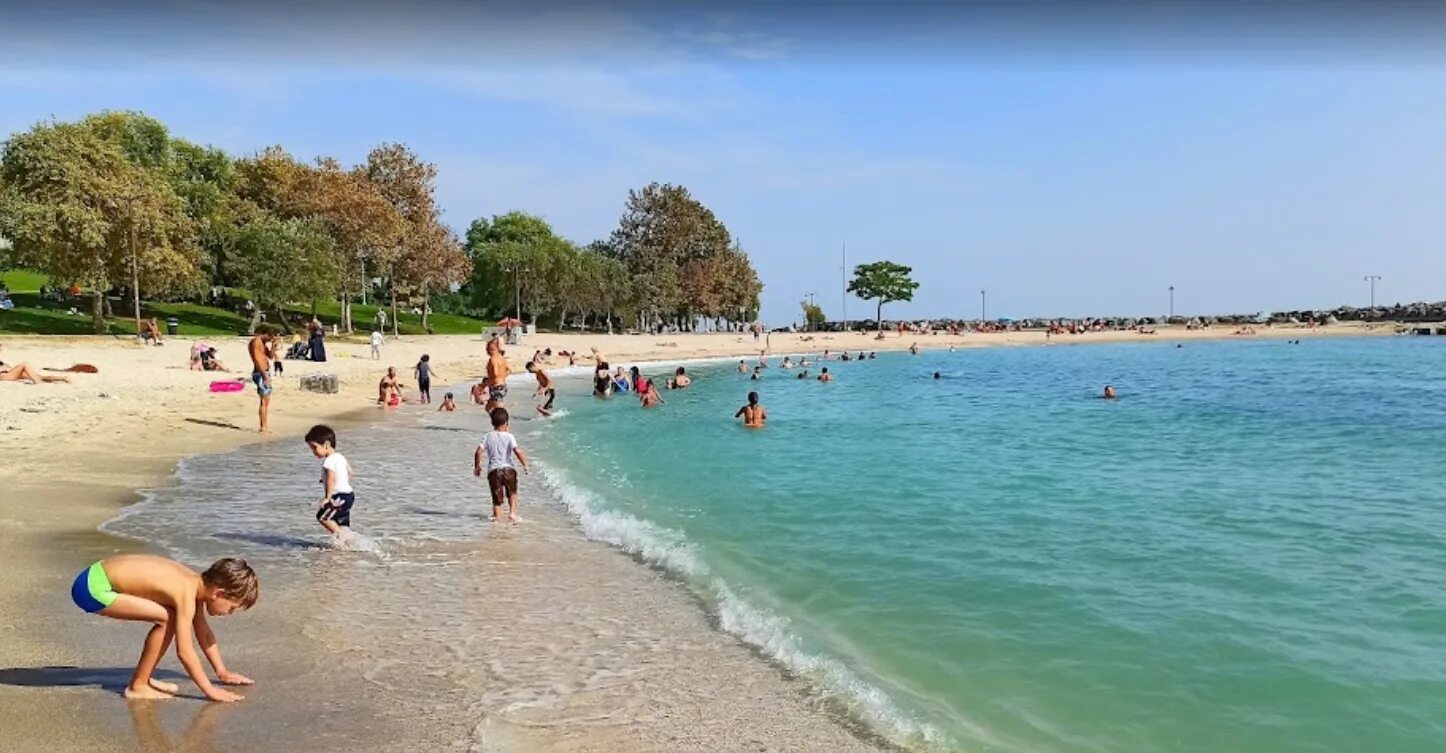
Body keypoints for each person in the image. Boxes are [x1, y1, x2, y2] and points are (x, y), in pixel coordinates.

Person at [69, 554, 256, 702]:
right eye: (232, 607)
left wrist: (222, 672)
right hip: (91, 588)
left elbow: (204, 634)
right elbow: (184, 651)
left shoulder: (195, 584)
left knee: (169, 616)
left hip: (95, 574)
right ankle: (138, 686)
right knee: (167, 619)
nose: (229, 613)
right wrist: (210, 689)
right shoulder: (185, 594)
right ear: (219, 593)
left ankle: (143, 678)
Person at [475, 408, 530, 523]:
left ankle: (497, 516)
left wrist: (477, 466)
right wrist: (525, 464)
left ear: (492, 422)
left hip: (494, 471)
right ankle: (512, 513)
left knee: (496, 498)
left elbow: (478, 452)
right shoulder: (509, 436)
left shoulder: (488, 436)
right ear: (506, 423)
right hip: (509, 469)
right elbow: (517, 451)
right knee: (512, 492)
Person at [306, 424, 356, 540]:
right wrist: (342, 482)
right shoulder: (340, 457)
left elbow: (331, 479)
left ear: (326, 445)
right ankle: (348, 545)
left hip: (338, 496)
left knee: (323, 517)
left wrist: (328, 497)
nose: (313, 452)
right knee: (341, 523)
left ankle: (342, 538)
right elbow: (350, 472)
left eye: (314, 447)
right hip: (348, 495)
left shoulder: (329, 461)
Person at [248, 328, 276, 433]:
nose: (270, 340)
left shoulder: (263, 343)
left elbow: (271, 356)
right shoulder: (256, 342)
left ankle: (264, 425)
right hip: (260, 373)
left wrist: (273, 346)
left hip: (264, 372)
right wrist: (265, 376)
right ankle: (263, 427)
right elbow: (257, 359)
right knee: (264, 400)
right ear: (266, 334)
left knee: (266, 400)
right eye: (270, 337)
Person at [0, 344, 70, 384]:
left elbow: (6, 366)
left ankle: (61, 378)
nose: (1, 349)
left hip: (7, 374)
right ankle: (38, 382)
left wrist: (8, 367)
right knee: (25, 364)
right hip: (4, 376)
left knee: (37, 375)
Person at [484, 337, 510, 412]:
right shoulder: (501, 358)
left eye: (489, 349)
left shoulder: (493, 359)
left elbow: (495, 374)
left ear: (496, 349)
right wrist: (502, 378)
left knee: (499, 411)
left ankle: (502, 422)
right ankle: (496, 421)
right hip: (502, 386)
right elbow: (509, 370)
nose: (487, 351)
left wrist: (485, 384)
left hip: (497, 387)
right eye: (487, 349)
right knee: (488, 408)